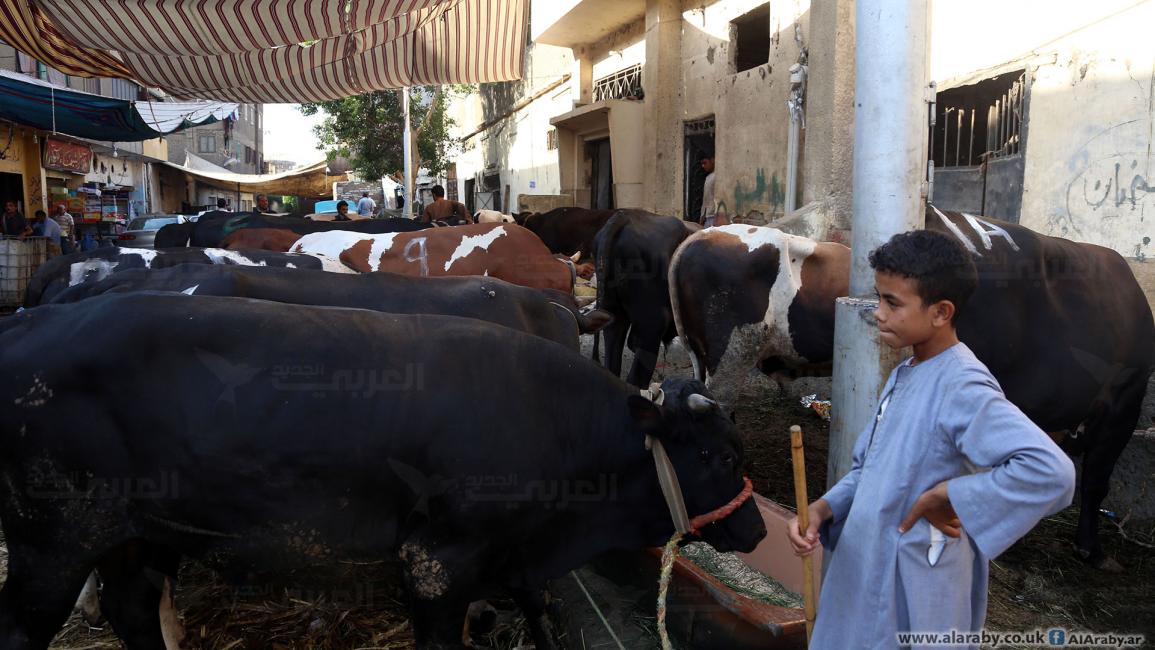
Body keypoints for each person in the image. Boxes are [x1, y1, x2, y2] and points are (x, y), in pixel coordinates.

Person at [787, 230, 1075, 649]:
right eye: (879, 297)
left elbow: (1052, 471)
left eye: (893, 303)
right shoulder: (907, 371)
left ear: (941, 312)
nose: (879, 313)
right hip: (866, 567)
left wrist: (953, 497)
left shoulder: (963, 384)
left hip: (914, 577)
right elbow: (873, 468)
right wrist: (825, 507)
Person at [699, 153, 717, 227]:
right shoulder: (708, 177)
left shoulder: (718, 176)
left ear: (712, 160)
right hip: (708, 217)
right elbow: (705, 199)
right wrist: (702, 217)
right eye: (702, 164)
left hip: (715, 216)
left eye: (705, 163)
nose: (703, 166)